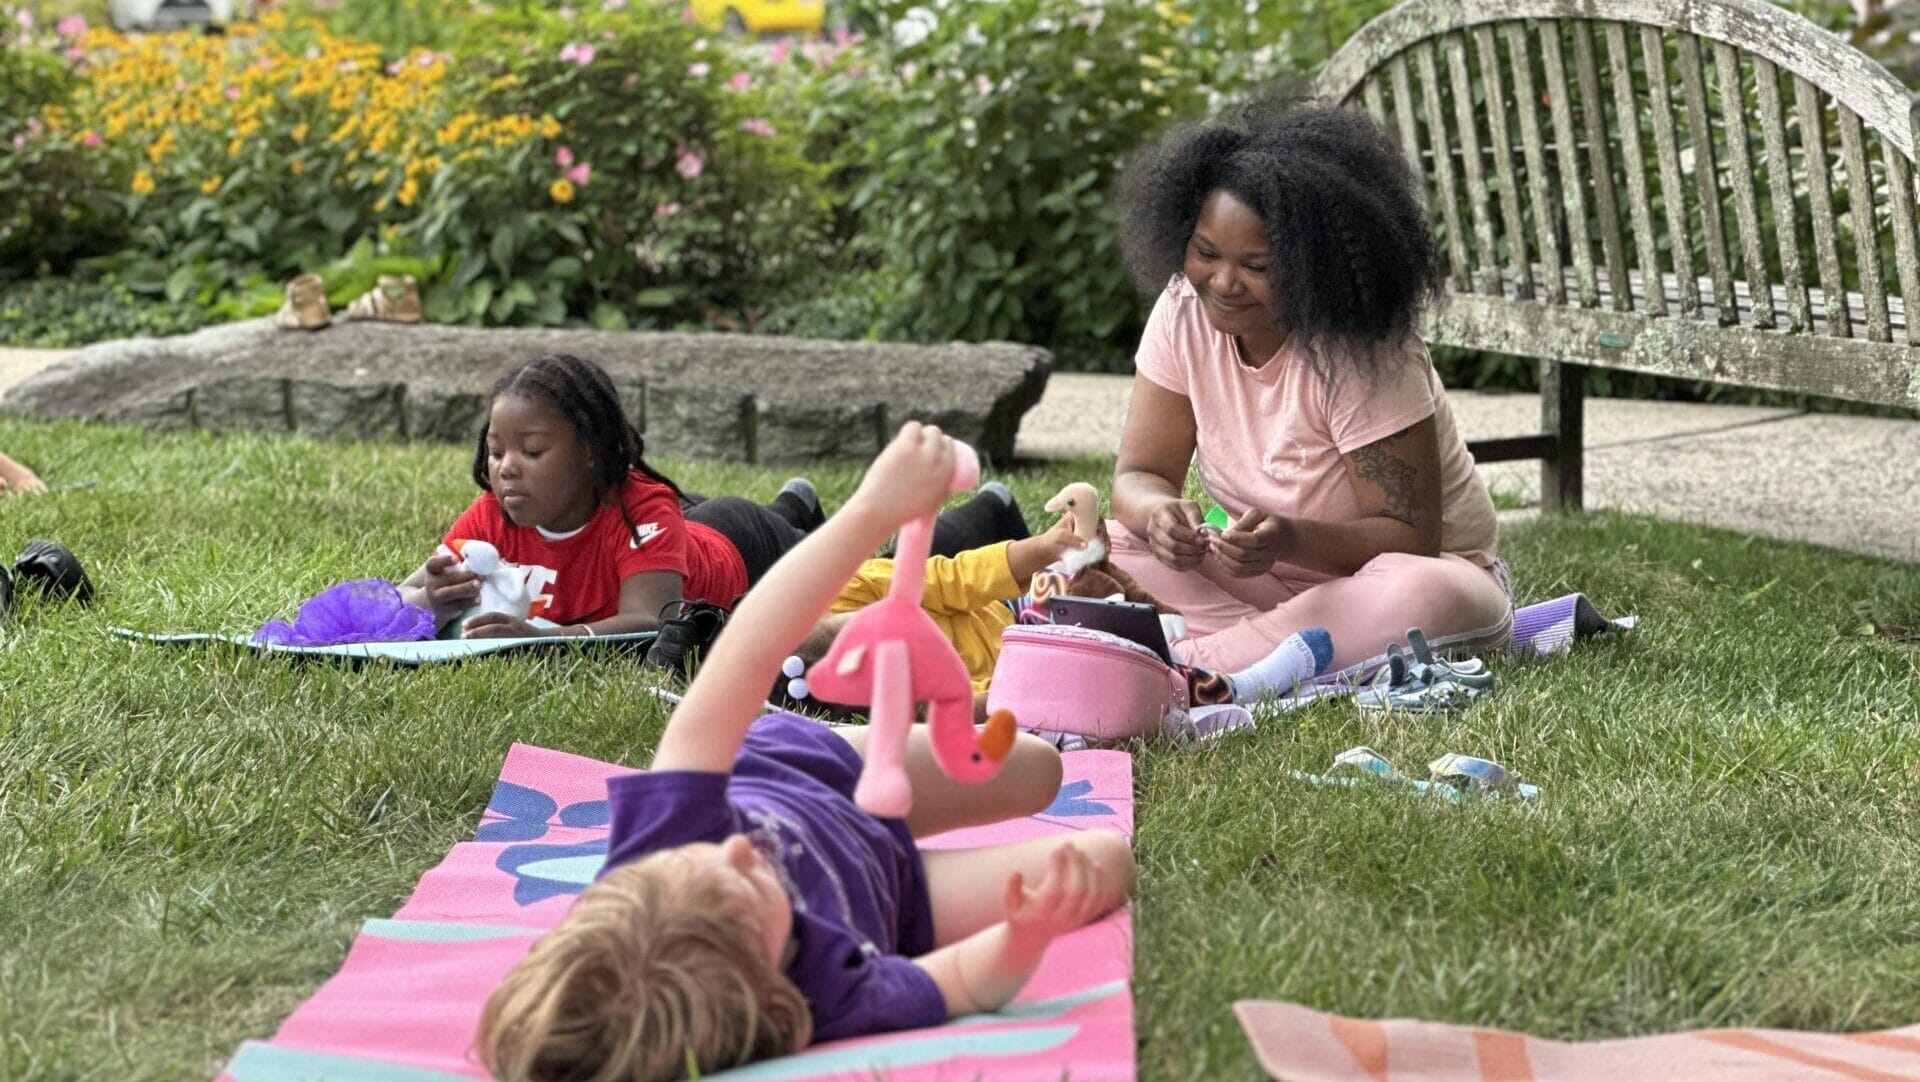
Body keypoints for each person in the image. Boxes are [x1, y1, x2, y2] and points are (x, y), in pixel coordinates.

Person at [475, 423, 1137, 1082]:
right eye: (744, 887)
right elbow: (961, 982)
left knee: (1036, 769)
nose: (739, 848)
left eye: (706, 858)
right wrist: (1024, 936)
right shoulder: (828, 999)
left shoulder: (665, 832)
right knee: (1104, 863)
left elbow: (751, 643)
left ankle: (888, 691)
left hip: (819, 774)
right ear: (771, 997)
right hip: (901, 893)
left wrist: (873, 509)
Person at [1105, 100, 1511, 677]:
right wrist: (1159, 515)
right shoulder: (1182, 311)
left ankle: (1190, 669)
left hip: (1404, 582)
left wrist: (1289, 539)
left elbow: (1410, 539)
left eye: (1257, 266)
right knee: (1106, 545)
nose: (1223, 282)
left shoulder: (1364, 347)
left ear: (1314, 266)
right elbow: (1139, 476)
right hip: (1260, 584)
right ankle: (1264, 654)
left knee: (1423, 592)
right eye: (1205, 253)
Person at [398, 354, 823, 640]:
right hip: (670, 528)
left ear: (589, 451)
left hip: (736, 539)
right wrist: (431, 597)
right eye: (495, 452)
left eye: (532, 451)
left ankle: (795, 505)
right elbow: (404, 595)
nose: (506, 468)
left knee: (828, 560)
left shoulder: (640, 512)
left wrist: (542, 639)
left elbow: (650, 620)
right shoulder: (495, 512)